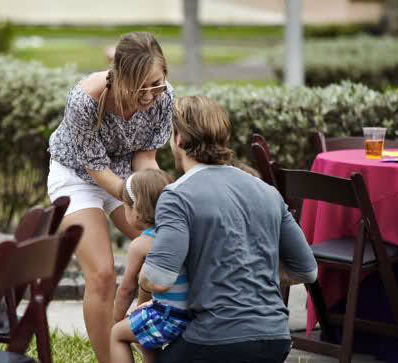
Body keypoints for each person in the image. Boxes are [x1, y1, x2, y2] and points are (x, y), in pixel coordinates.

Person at [139, 96, 318, 363]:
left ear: (177, 139)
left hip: (214, 341)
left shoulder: (177, 195)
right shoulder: (267, 192)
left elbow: (157, 280)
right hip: (275, 340)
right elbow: (307, 271)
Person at [46, 32, 174, 363]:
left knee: (167, 246)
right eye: (138, 87)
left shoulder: (163, 96)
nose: (148, 95)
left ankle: (145, 329)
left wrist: (156, 197)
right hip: (77, 175)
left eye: (156, 83)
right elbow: (96, 170)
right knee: (102, 273)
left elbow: (145, 160)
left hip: (127, 173)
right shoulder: (85, 99)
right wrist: (132, 196)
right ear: (118, 78)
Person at [111, 168, 188, 363]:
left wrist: (117, 317)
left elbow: (127, 288)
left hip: (168, 317)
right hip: (189, 314)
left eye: (125, 206)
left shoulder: (141, 244)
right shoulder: (181, 234)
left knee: (117, 334)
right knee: (145, 338)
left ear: (136, 207)